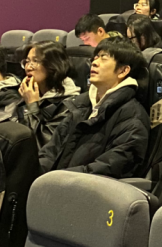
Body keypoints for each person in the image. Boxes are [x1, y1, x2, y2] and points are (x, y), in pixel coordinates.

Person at [38, 37, 150, 178]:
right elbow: (50, 150)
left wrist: (56, 179)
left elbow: (110, 167)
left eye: (104, 58)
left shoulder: (133, 117)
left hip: (83, 187)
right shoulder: (80, 105)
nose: (94, 62)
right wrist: (36, 174)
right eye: (96, 57)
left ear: (123, 71)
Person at [11, 41, 81, 149]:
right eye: (27, 61)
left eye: (35, 61)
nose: (28, 67)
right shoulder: (30, 91)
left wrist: (32, 105)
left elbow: (43, 145)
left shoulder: (69, 104)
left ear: (53, 65)